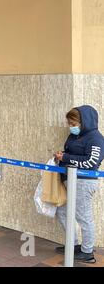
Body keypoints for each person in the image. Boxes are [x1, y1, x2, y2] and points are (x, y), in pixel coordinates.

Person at [54, 106, 104, 263]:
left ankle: (87, 252)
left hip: (84, 182)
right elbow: (70, 153)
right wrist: (61, 156)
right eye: (69, 123)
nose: (71, 126)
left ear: (84, 122)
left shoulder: (95, 138)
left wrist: (66, 158)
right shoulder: (74, 136)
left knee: (84, 217)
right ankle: (73, 244)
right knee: (62, 211)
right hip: (70, 180)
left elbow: (91, 162)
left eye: (73, 123)